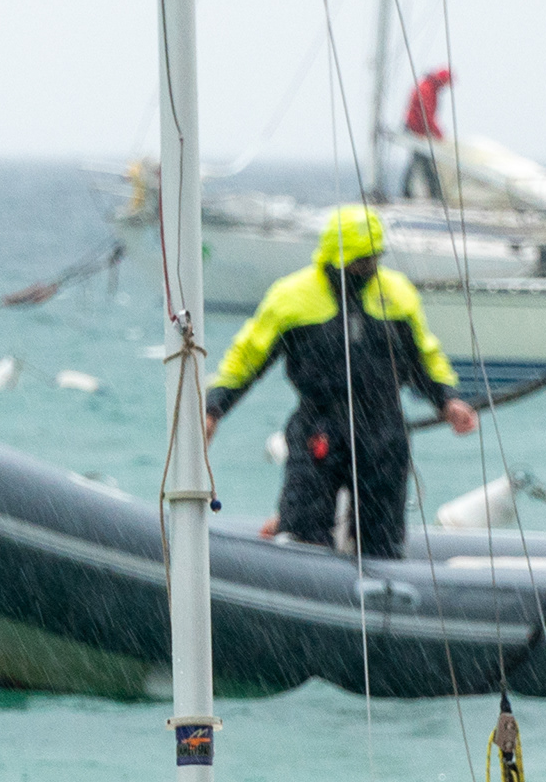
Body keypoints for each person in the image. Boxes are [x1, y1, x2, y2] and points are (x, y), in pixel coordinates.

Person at [203, 204, 478, 559]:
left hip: (382, 428)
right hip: (320, 425)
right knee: (303, 532)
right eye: (361, 262)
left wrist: (448, 399)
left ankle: (379, 597)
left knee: (382, 543)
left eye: (375, 259)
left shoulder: (397, 294)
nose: (370, 268)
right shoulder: (292, 297)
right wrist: (215, 407)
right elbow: (246, 357)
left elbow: (425, 356)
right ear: (336, 258)